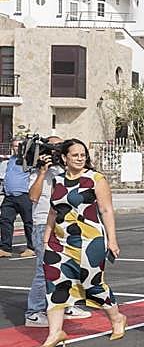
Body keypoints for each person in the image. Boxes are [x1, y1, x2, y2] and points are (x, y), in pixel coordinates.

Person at [34, 139, 127, 347]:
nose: (79, 158)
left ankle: (117, 318)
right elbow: (53, 212)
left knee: (92, 285)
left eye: (82, 155)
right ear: (64, 158)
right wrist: (46, 239)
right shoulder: (57, 180)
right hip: (59, 242)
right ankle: (55, 333)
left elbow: (106, 210)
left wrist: (112, 239)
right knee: (55, 284)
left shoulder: (95, 179)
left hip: (89, 240)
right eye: (75, 155)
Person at [24, 136, 91, 326]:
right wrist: (42, 172)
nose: (55, 152)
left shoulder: (65, 171)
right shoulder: (38, 171)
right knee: (44, 270)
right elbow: (33, 197)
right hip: (43, 224)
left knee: (67, 267)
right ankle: (34, 312)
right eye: (52, 148)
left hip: (66, 224)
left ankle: (65, 305)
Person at [1, 138, 36, 258]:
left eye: (19, 146)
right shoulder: (11, 159)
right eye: (15, 146)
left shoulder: (28, 159)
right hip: (9, 196)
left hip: (23, 196)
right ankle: (5, 248)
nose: (17, 148)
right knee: (5, 220)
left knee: (28, 222)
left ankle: (31, 247)